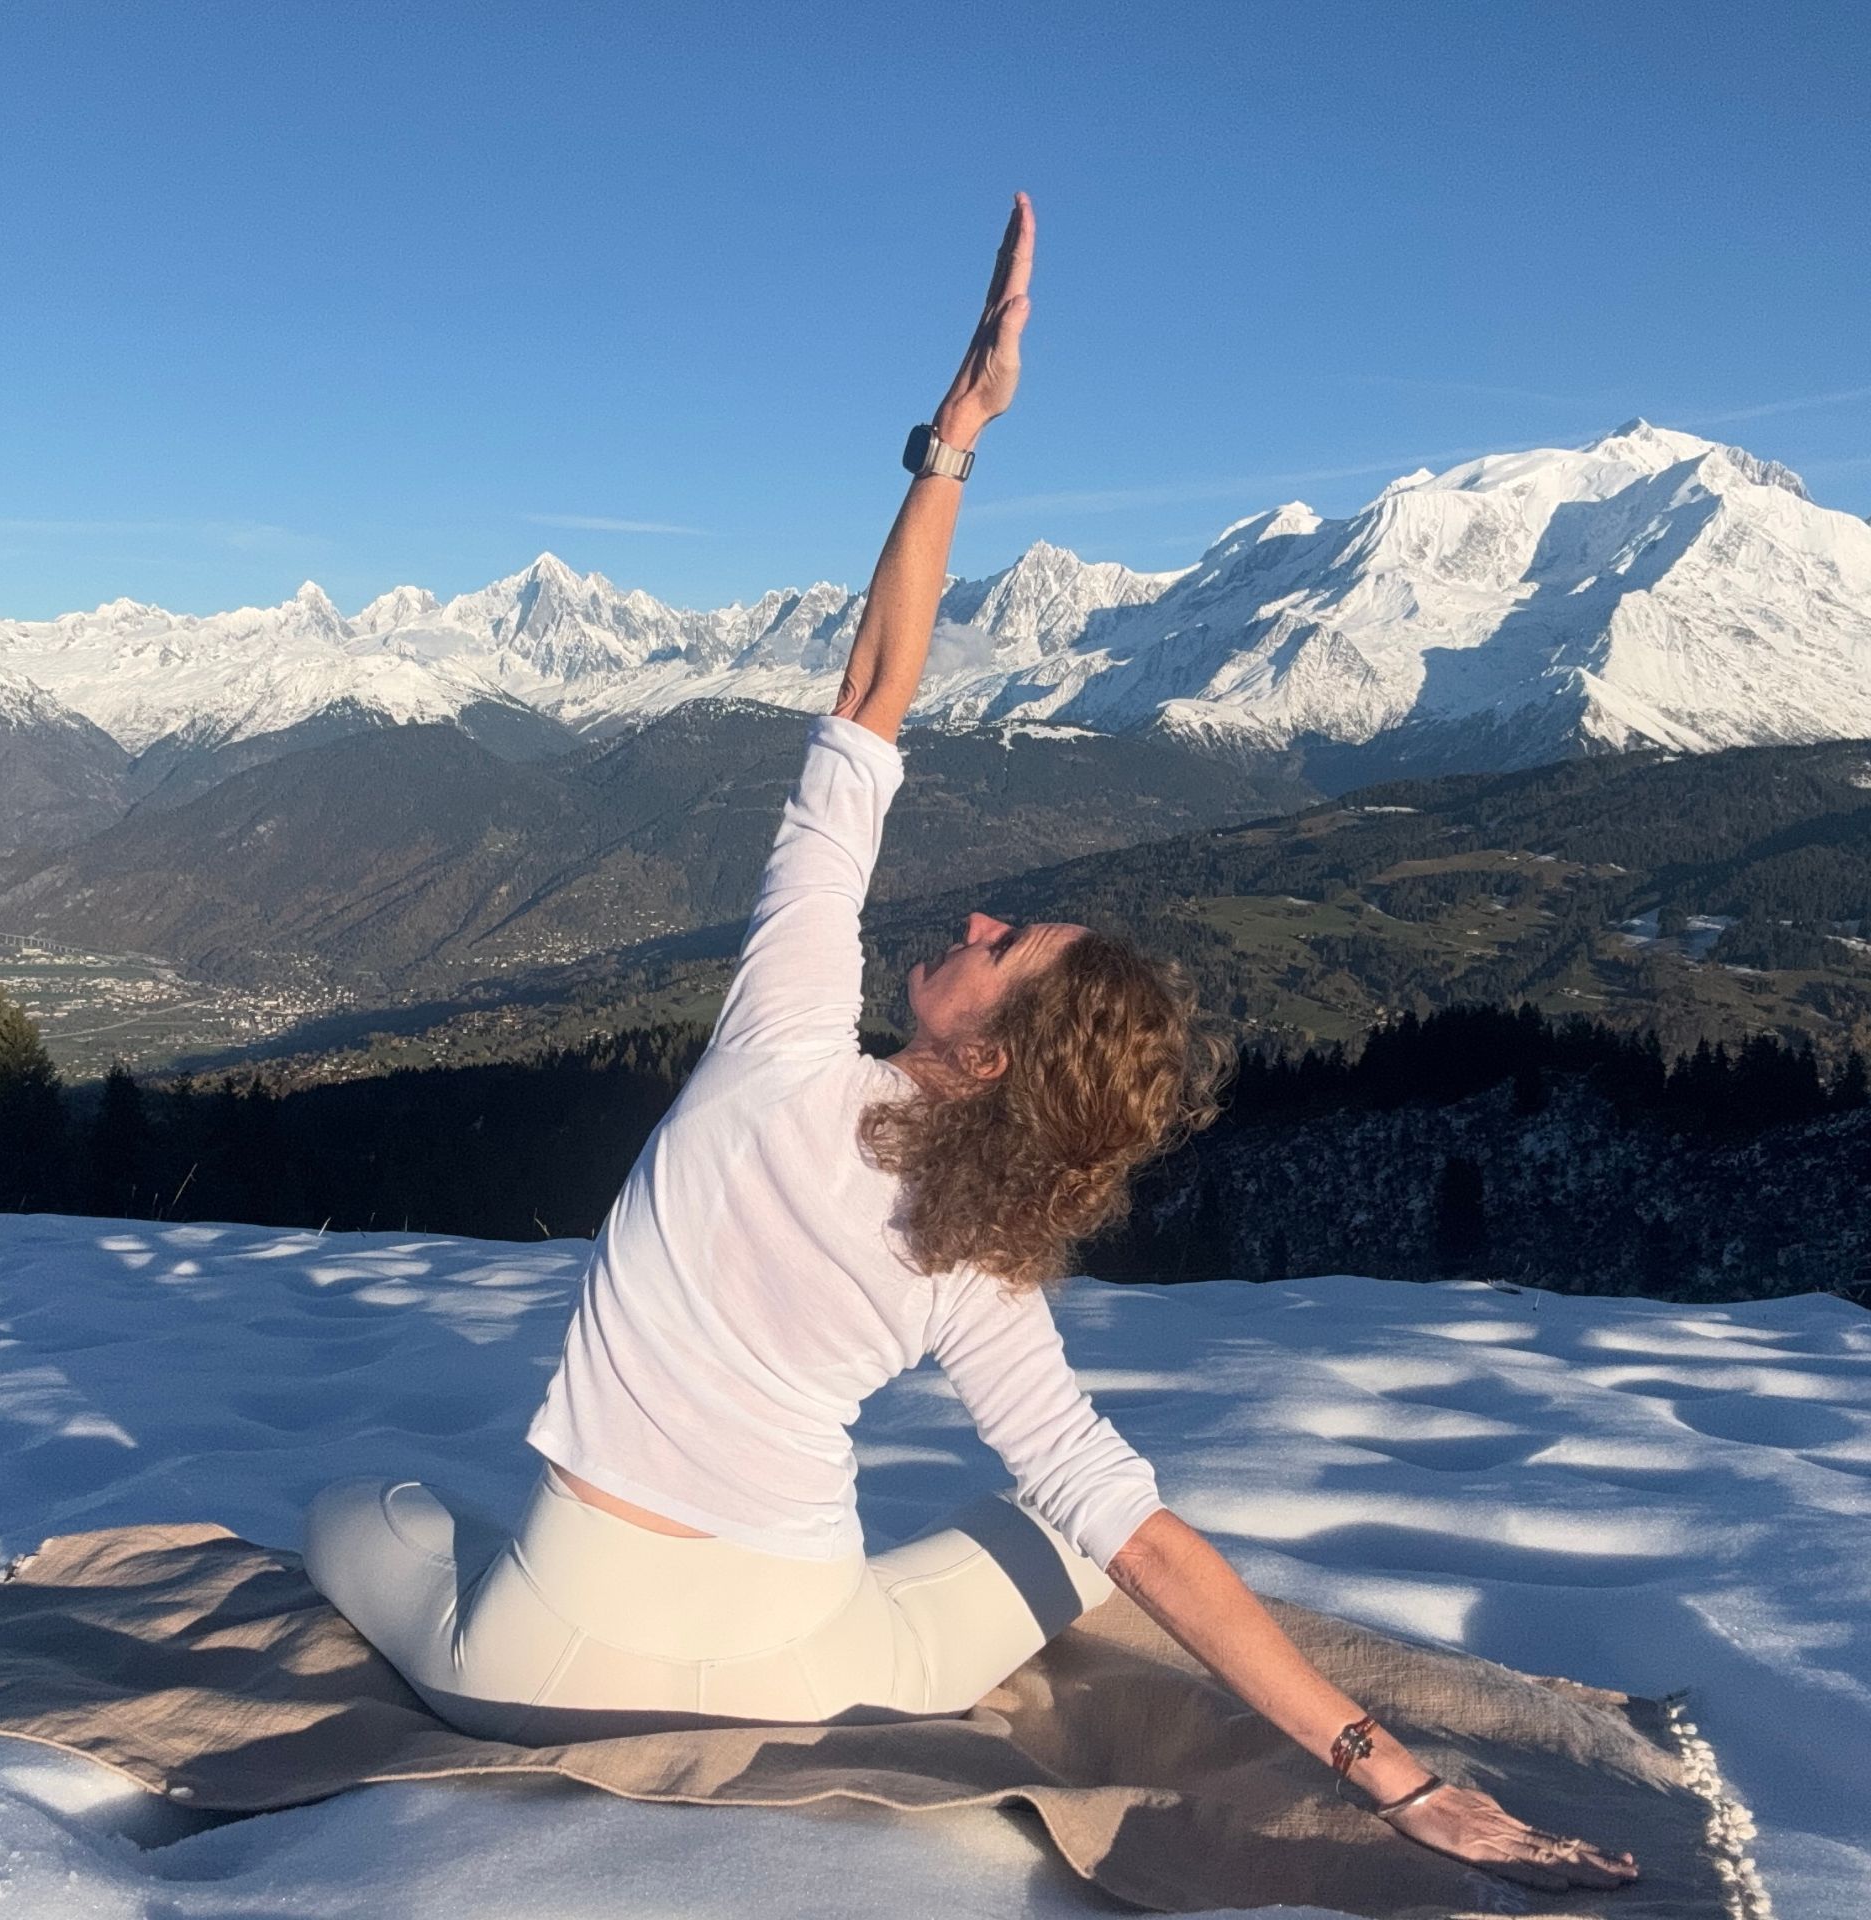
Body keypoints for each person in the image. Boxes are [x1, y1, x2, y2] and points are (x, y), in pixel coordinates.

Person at [303, 192, 1636, 1896]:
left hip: (538, 1656)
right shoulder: (981, 1273)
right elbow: (1135, 1533)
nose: (981, 922)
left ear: (995, 1059)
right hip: (807, 1671)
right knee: (1062, 1540)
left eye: (1008, 950)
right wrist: (1388, 1777)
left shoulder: (780, 1038)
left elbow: (871, 696)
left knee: (362, 1512)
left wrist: (952, 443)